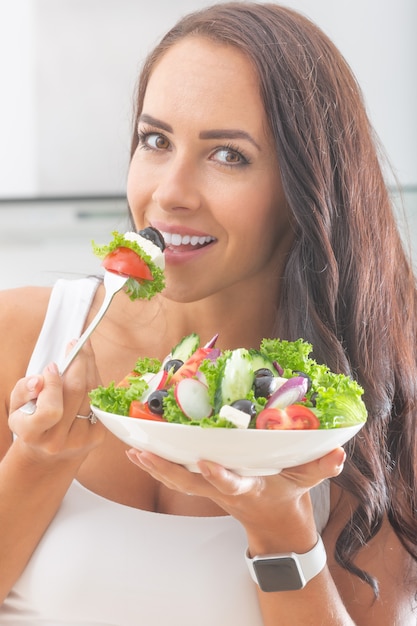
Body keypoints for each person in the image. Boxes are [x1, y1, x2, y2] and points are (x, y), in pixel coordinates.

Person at [0, 2, 416, 624]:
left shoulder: (370, 399)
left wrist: (280, 529)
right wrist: (37, 464)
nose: (169, 192)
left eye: (228, 155)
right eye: (155, 140)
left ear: (306, 189)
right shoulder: (24, 337)